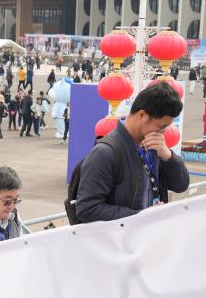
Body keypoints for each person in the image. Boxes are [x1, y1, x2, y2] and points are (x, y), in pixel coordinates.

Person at [75, 82, 189, 223]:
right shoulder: (105, 153)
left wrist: (168, 156)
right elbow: (87, 209)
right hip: (121, 234)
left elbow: (181, 185)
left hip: (146, 231)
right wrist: (141, 216)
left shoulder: (153, 146)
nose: (163, 132)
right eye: (161, 126)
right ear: (142, 115)